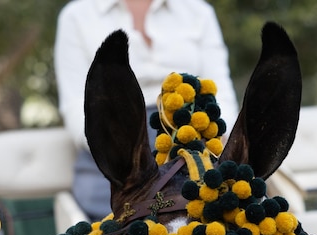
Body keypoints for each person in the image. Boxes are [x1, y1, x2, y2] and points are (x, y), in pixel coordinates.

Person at [54, 0, 239, 221]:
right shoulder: (76, 16)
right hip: (117, 147)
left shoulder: (198, 11)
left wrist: (217, 137)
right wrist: (119, 149)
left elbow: (221, 90)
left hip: (197, 141)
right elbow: (76, 107)